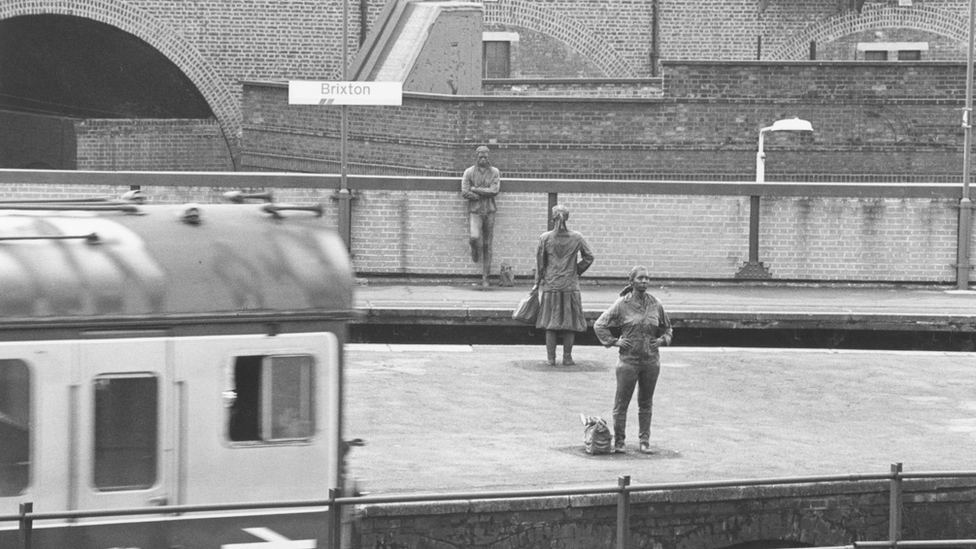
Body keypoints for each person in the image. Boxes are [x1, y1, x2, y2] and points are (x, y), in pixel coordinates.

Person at [593, 265, 672, 454]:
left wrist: (662, 340)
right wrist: (614, 342)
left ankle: (644, 441)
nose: (644, 281)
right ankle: (620, 441)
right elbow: (599, 324)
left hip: (651, 361)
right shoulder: (622, 304)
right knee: (622, 403)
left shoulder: (656, 304)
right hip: (628, 362)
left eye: (647, 278)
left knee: (646, 402)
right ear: (632, 281)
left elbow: (668, 328)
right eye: (640, 278)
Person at [533, 204, 594, 366]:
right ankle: (567, 357)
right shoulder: (577, 237)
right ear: (567, 218)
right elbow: (589, 257)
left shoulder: (545, 238)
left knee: (550, 324)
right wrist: (576, 271)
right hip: (570, 285)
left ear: (553, 218)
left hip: (551, 285)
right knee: (570, 323)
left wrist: (537, 283)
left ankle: (551, 359)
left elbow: (540, 264)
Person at [461, 145, 501, 287]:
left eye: (485, 156)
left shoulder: (494, 172)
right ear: (476, 157)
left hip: (489, 211)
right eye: (480, 157)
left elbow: (494, 190)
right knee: (474, 237)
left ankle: (486, 277)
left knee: (488, 244)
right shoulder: (469, 172)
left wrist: (476, 189)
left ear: (488, 157)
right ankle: (473, 248)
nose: (483, 159)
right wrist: (478, 196)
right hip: (475, 210)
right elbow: (465, 192)